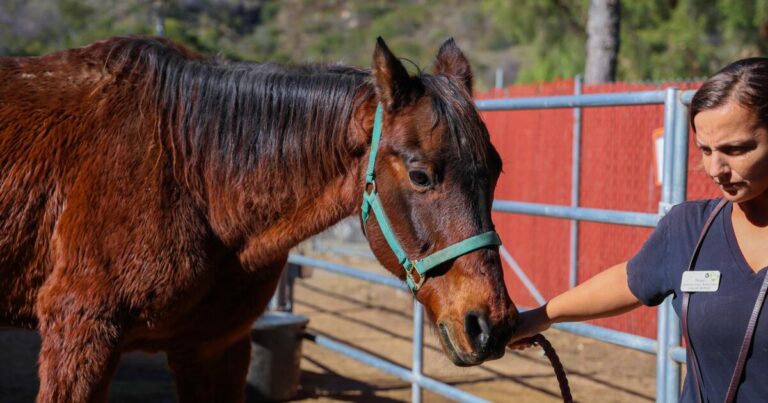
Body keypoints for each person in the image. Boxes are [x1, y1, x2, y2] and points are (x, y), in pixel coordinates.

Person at [508, 58, 768, 402]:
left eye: (735, 149)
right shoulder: (690, 228)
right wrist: (540, 317)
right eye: (705, 150)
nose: (715, 168)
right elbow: (631, 280)